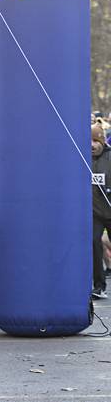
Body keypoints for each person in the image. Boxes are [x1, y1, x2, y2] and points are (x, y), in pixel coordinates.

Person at [92, 123, 111, 299]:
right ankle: (99, 285)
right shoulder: (84, 158)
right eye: (88, 141)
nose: (92, 145)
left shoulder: (109, 157)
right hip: (95, 213)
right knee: (94, 242)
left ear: (102, 141)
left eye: (95, 140)